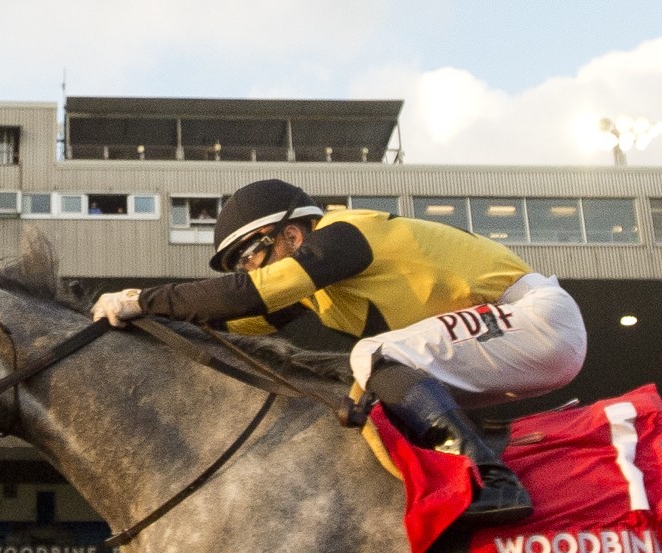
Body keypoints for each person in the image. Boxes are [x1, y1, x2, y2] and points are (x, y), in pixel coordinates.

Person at [92, 179, 589, 529]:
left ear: (292, 234)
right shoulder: (318, 286)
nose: (250, 269)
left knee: (371, 355)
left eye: (250, 256)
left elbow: (247, 294)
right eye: (244, 263)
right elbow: (235, 321)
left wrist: (143, 299)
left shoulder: (348, 235)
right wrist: (149, 324)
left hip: (535, 316)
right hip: (503, 333)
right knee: (374, 396)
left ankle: (493, 482)